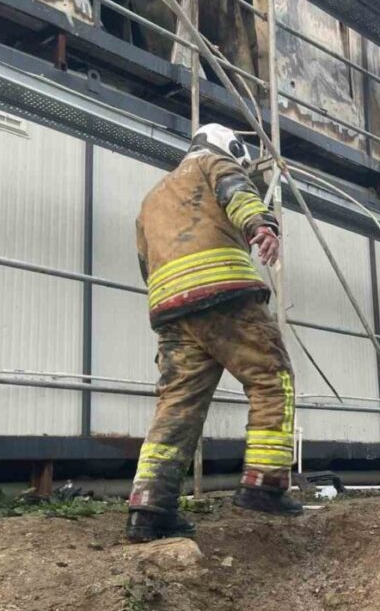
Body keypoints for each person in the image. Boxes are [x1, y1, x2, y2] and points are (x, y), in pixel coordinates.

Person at [126, 123, 301, 542]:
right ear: (230, 147)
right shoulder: (214, 163)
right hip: (223, 294)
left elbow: (145, 264)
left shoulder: (151, 199)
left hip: (171, 310)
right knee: (271, 378)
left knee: (177, 405)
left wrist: (173, 302)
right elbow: (237, 193)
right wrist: (261, 226)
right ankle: (264, 485)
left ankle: (149, 507)